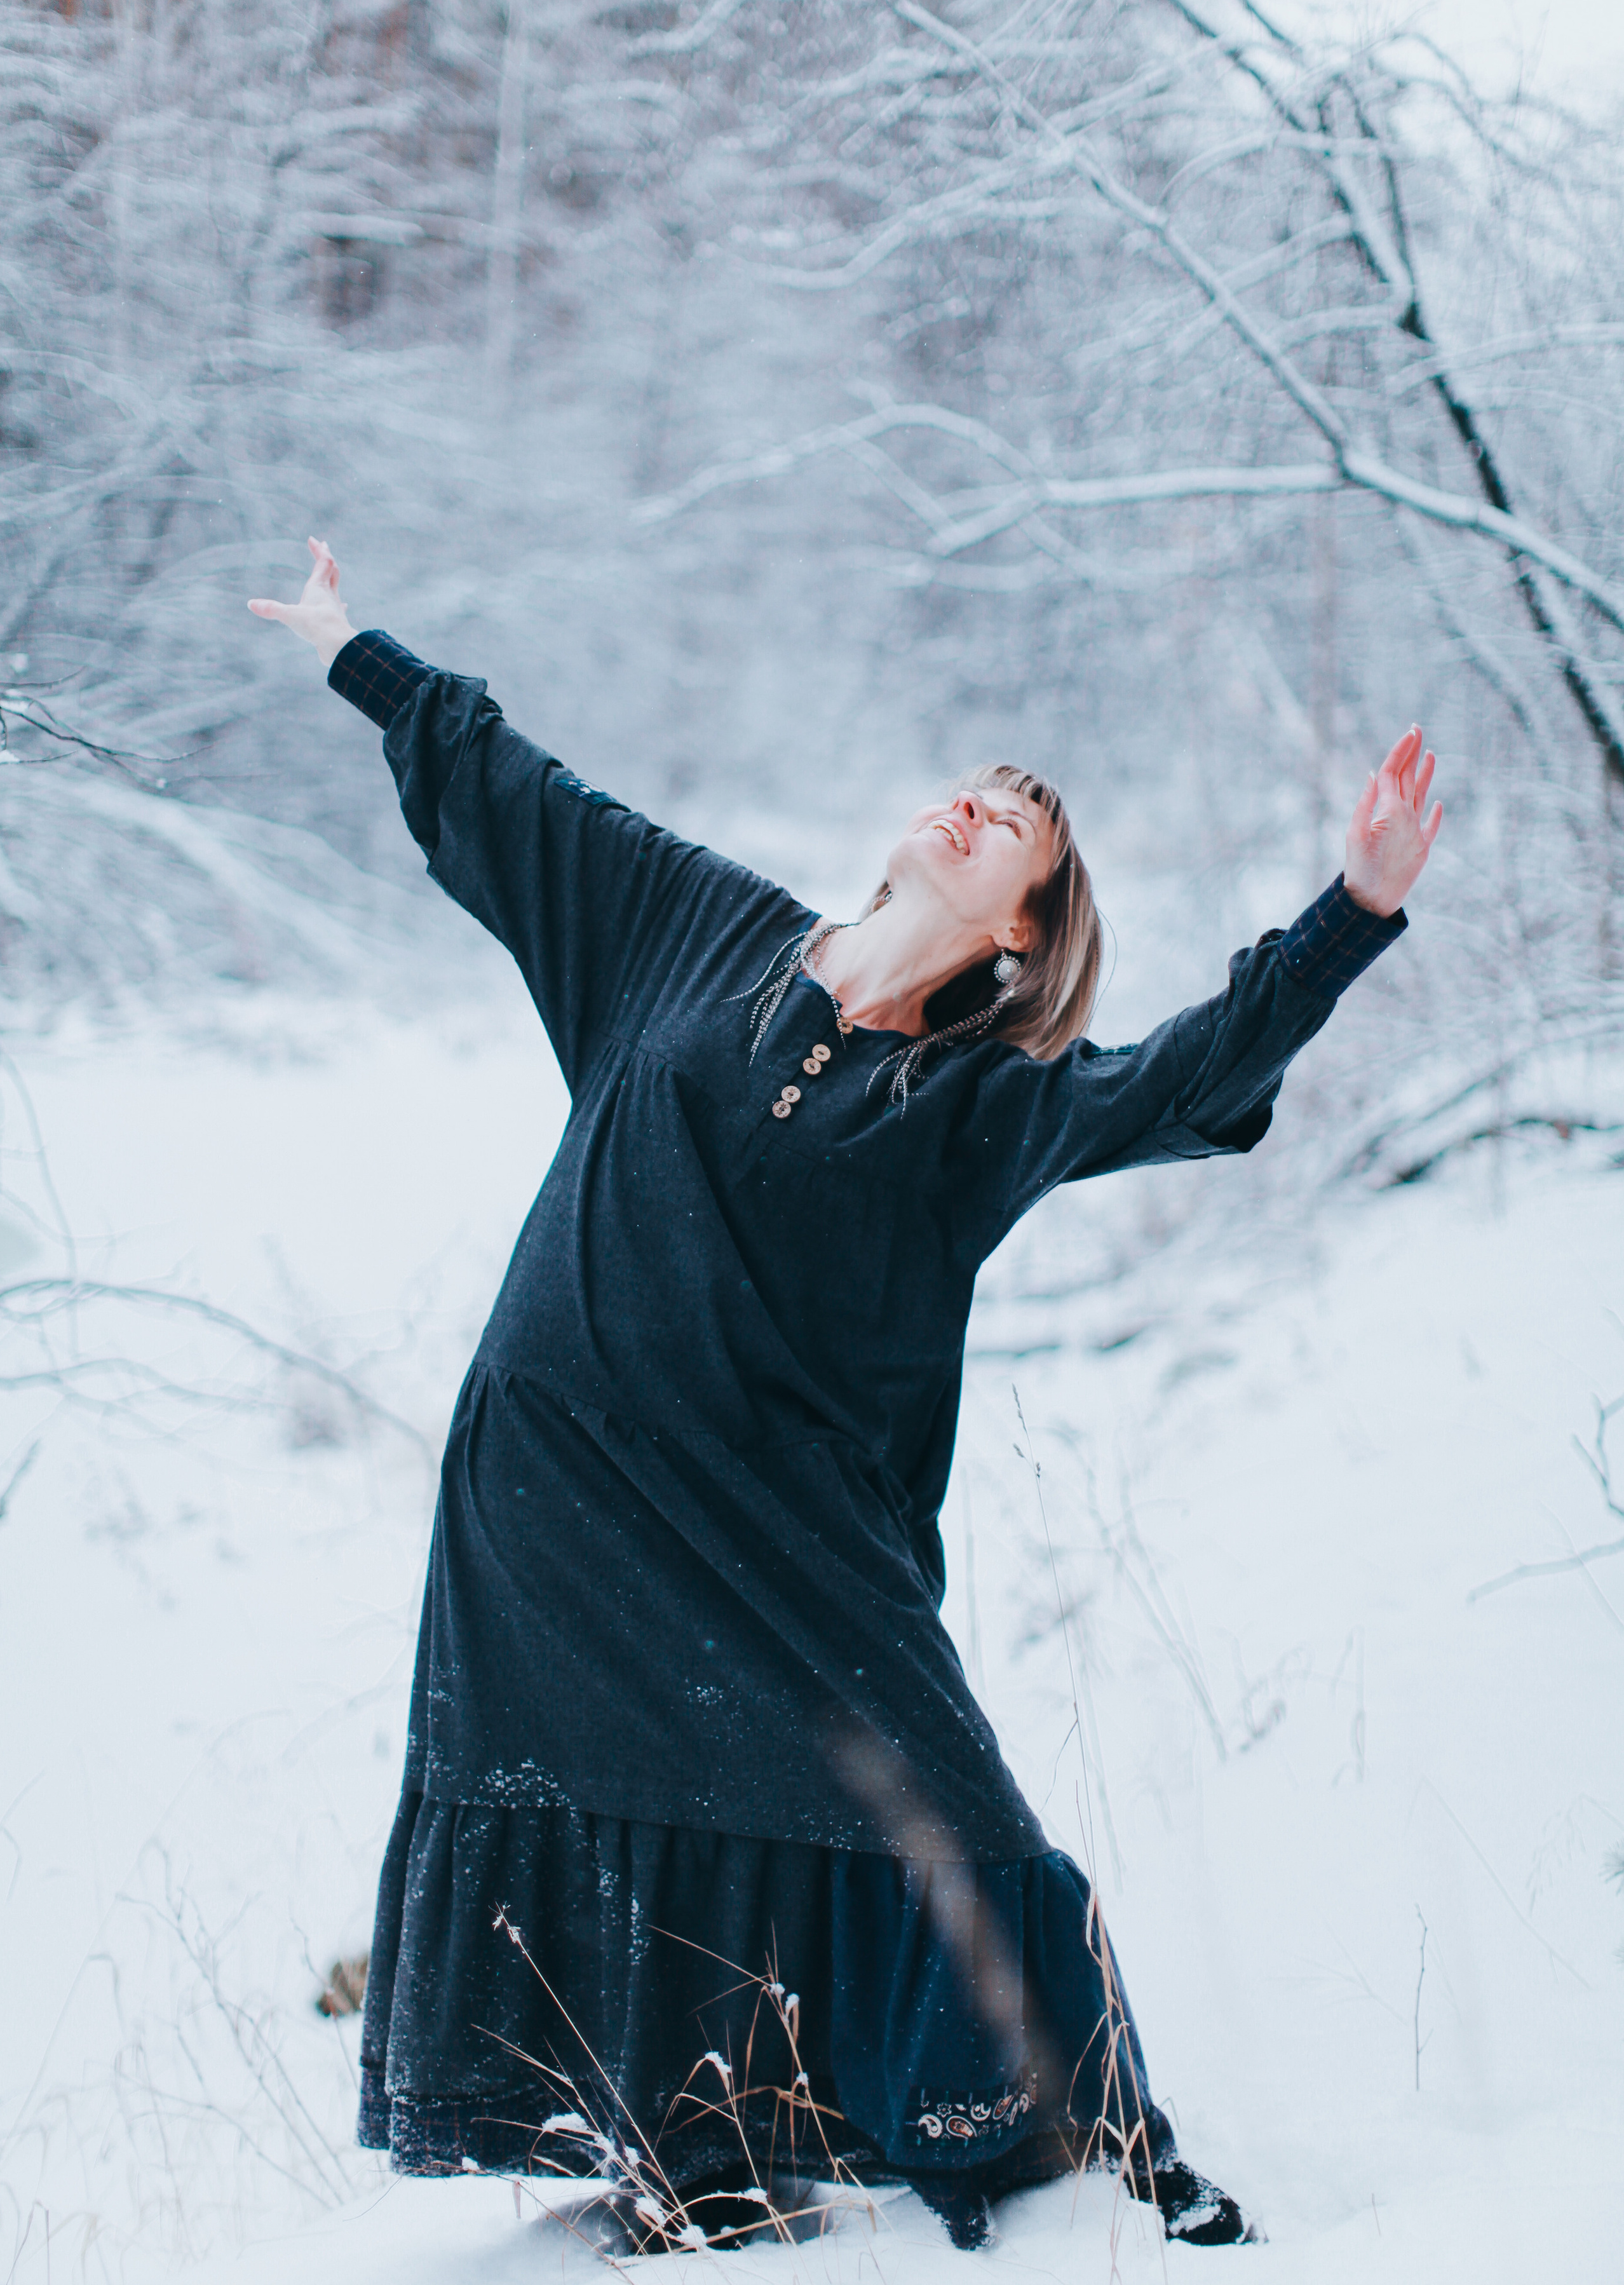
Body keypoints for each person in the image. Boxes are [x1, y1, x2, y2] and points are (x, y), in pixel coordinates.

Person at [250, 539, 1442, 2253]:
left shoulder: (973, 1106)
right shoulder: (693, 932)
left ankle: (1084, 2161)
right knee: (598, 1796)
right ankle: (687, 2162)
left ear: (1027, 922)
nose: (978, 807)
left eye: (1017, 819)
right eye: (972, 788)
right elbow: (522, 792)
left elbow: (1191, 1077)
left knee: (935, 1805)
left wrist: (1356, 916)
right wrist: (357, 648)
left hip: (782, 1539)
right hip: (554, 1498)